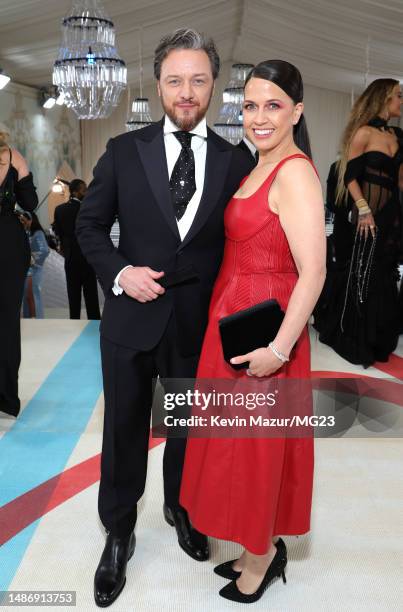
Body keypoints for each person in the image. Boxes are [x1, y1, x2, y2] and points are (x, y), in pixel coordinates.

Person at [75, 28, 254, 607]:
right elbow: (89, 228)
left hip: (196, 327)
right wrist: (121, 273)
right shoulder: (125, 152)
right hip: (130, 320)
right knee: (123, 427)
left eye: (198, 80)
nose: (186, 91)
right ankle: (119, 533)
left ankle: (182, 510)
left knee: (187, 430)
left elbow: (243, 244)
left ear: (214, 86)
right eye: (175, 80)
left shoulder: (235, 160)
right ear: (158, 84)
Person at [180, 59, 326, 603]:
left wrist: (279, 348)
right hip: (236, 324)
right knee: (237, 446)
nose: (259, 117)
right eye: (250, 106)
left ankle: (262, 558)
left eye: (273, 105)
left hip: (266, 332)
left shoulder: (295, 172)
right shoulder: (260, 164)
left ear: (297, 111)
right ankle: (254, 545)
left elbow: (314, 271)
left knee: (258, 448)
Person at [315, 79, 403, 367]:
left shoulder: (399, 135)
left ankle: (379, 339)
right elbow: (350, 175)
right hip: (367, 216)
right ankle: (355, 337)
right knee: (363, 272)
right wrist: (363, 209)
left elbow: (399, 181)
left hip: (392, 214)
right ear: (383, 98)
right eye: (398, 96)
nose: (401, 102)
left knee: (385, 272)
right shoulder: (363, 133)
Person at [0, 122, 38, 417]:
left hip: (10, 246)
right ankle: (7, 399)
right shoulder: (13, 157)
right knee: (8, 322)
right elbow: (30, 203)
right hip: (9, 244)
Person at [53, 179, 100, 320]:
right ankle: (95, 324)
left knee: (73, 296)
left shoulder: (59, 210)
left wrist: (65, 249)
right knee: (91, 296)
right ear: (75, 192)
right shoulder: (88, 208)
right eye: (84, 190)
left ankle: (74, 323)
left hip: (71, 258)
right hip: (87, 258)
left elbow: (58, 232)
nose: (86, 192)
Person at [22, 212, 49, 318]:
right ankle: (28, 319)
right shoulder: (28, 233)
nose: (23, 223)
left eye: (25, 221)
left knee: (34, 294)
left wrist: (33, 260)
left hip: (35, 269)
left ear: (31, 220)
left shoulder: (38, 233)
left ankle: (38, 320)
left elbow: (45, 250)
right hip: (27, 270)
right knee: (26, 295)